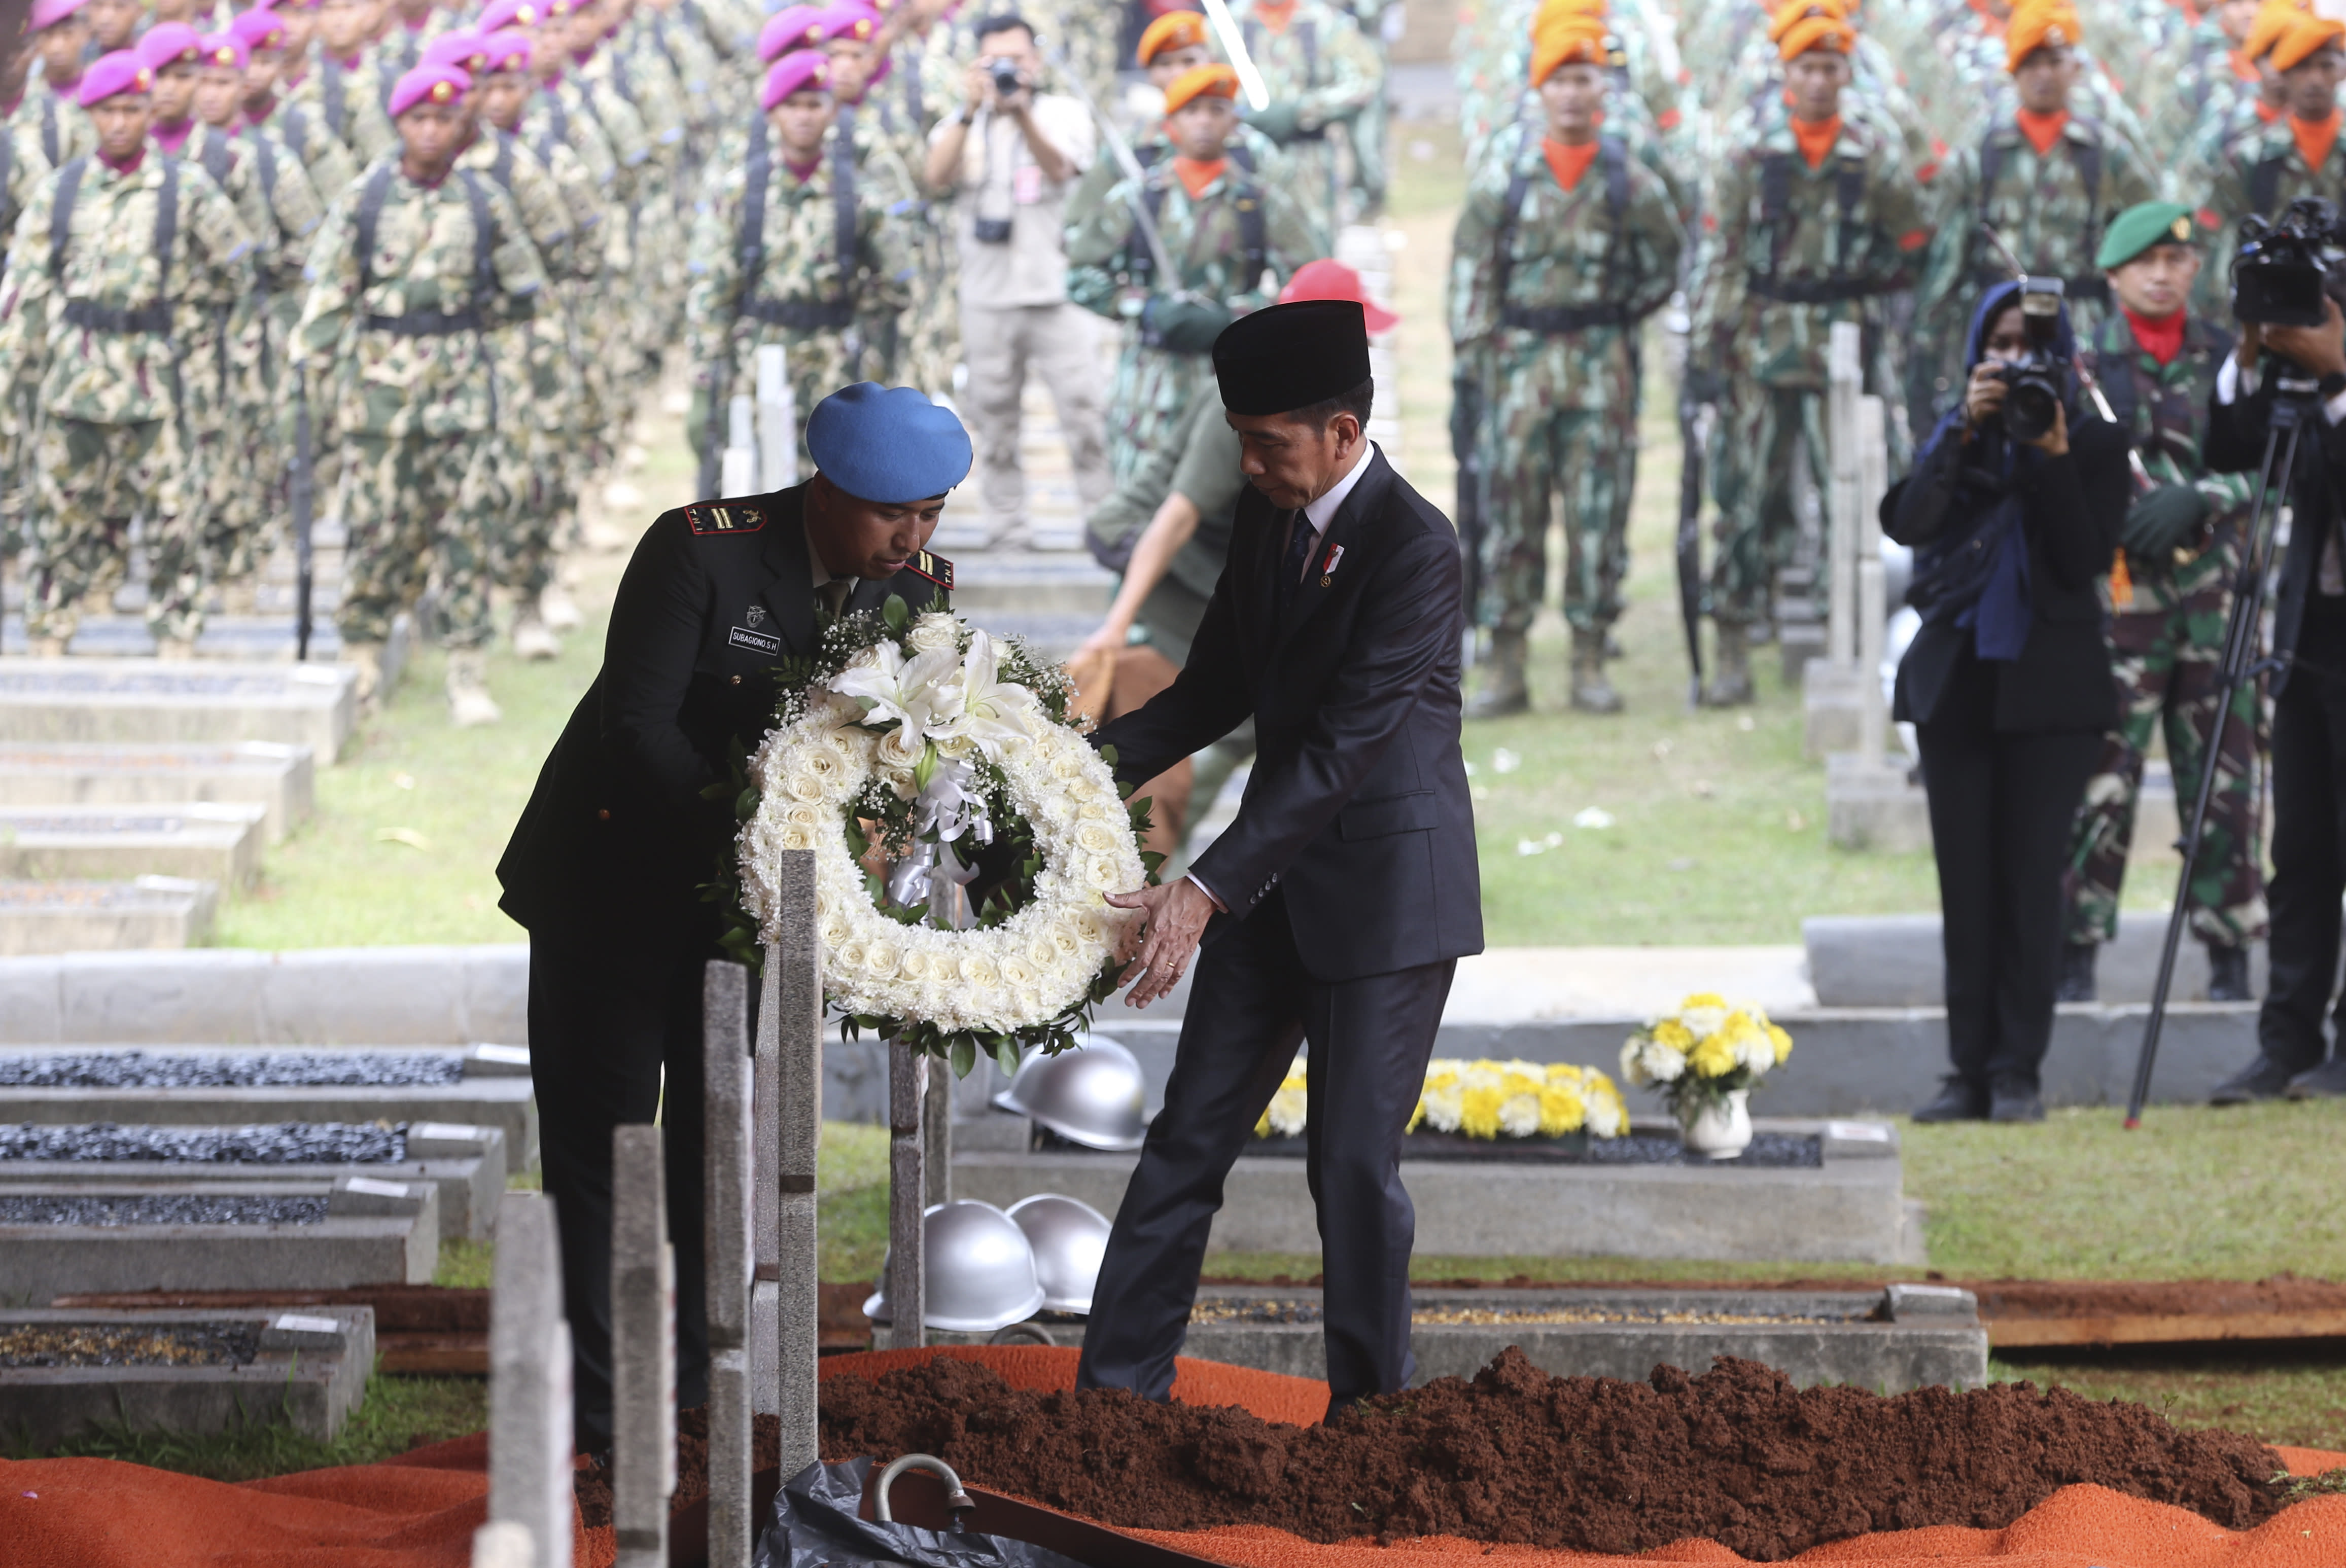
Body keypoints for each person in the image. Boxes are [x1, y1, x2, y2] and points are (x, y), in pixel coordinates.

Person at [497, 382, 967, 1455]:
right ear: (825, 489)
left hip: (741, 914)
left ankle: (702, 1405)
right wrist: (762, 844)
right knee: (608, 1153)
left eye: (931, 513)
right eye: (891, 512)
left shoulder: (914, 591)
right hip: (610, 889)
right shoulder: (700, 551)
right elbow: (637, 728)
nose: (911, 537)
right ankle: (611, 1423)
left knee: (715, 1152)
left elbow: (897, 744)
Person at [1075, 300, 1482, 1418]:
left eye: (1269, 444)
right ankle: (1114, 1405)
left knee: (1349, 1167)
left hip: (1385, 899)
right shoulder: (1268, 516)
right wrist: (1063, 772)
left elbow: (1344, 750)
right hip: (1267, 889)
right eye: (1239, 439)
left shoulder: (1414, 547)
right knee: (1184, 1142)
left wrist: (1200, 889)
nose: (1246, 466)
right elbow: (1210, 692)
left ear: (1342, 432)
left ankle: (1369, 1421)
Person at [1884, 279, 2128, 1124]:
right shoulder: (1954, 430)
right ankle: (1967, 1071)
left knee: (2031, 882)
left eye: (2033, 344)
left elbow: (2084, 556)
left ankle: (2018, 1068)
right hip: (1958, 687)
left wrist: (2054, 454)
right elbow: (1910, 523)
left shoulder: (2096, 440)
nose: (2016, 358)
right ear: (1979, 352)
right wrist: (1961, 433)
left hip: (2052, 690)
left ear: (2062, 353)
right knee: (1968, 885)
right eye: (2002, 343)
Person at [289, 62, 549, 720]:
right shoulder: (365, 199)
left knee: (467, 532)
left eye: (444, 119)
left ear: (461, 124)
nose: (431, 131)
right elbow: (330, 298)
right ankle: (364, 653)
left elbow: (523, 290)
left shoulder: (483, 200)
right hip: (380, 399)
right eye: (418, 119)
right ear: (399, 123)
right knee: (380, 533)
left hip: (462, 396)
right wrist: (309, 375)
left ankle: (467, 669)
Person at [2058, 203, 2264, 1009]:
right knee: (2100, 777)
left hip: (2217, 601)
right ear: (2112, 275)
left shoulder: (2235, 355)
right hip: (2120, 604)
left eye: (2177, 260)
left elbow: (2287, 462)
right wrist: (2118, 516)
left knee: (2225, 781)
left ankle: (2229, 955)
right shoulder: (2082, 364)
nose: (2161, 273)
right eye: (2144, 261)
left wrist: (2207, 495)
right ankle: (2074, 951)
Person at [1691, 0, 1925, 705]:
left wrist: (1871, 295)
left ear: (1847, 72)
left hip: (1844, 339)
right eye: (1807, 66)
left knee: (1853, 489)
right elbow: (1723, 255)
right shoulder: (1747, 149)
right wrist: (1712, 344)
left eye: (1830, 66)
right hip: (1762, 339)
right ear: (1785, 71)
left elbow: (1911, 238)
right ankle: (1734, 634)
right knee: (1745, 490)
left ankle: (1845, 632)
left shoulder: (1873, 154)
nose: (1819, 79)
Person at [1449, 9, 1682, 716]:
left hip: (1600, 370)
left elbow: (1663, 261)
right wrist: (1477, 366)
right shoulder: (1505, 179)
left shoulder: (1629, 182)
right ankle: (1507, 662)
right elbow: (1471, 279)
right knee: (1511, 515)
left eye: (1584, 80)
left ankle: (1588, 658)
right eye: (1560, 82)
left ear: (1602, 90)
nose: (1573, 94)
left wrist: (1614, 319)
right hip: (1518, 373)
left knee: (1597, 513)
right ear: (1539, 91)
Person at [0, 49, 254, 658]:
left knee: (173, 515)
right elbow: (27, 287)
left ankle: (176, 633)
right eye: (107, 111)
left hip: (158, 378)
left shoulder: (185, 188)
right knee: (61, 514)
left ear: (148, 111)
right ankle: (51, 630)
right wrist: (13, 372)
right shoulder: (61, 192)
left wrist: (195, 339)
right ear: (90, 115)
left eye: (131, 110)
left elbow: (236, 273)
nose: (120, 123)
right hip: (75, 377)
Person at [2201, 282, 2346, 1100]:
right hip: (2306, 637)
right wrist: (2251, 357)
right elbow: (2231, 451)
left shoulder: (2331, 379)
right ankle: (2285, 1041)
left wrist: (2336, 384)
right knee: (2299, 855)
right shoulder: (2296, 376)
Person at [1066, 63, 1314, 490]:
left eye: (1216, 110)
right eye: (1191, 110)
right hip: (1149, 387)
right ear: (1170, 125)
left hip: (1235, 384)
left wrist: (1240, 317)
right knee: (1142, 501)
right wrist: (1145, 307)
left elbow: (1310, 284)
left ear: (1233, 122)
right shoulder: (1137, 199)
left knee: (1228, 505)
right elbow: (1079, 274)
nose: (1204, 120)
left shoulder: (1257, 204)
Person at [1913, 1, 2152, 427]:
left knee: (2079, 434)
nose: (2044, 75)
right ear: (2012, 70)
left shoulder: (2105, 154)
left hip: (2080, 324)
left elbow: (2143, 242)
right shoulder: (1981, 154)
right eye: (2031, 63)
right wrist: (1927, 344)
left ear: (2074, 68)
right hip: (1997, 326)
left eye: (2055, 62)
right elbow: (1947, 259)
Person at [923, 12, 1107, 546]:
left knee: (1086, 414)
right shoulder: (961, 121)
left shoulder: (1063, 113)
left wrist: (1022, 112)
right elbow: (934, 177)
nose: (1007, 69)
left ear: (1036, 61)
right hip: (987, 295)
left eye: (1017, 58)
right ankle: (1007, 527)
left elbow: (1060, 169)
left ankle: (1102, 523)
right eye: (994, 60)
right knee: (995, 419)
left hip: (1057, 291)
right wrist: (968, 110)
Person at [683, 51, 914, 476]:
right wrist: (705, 383)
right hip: (756, 358)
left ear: (832, 112)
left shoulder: (859, 196)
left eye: (815, 105)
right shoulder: (740, 193)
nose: (804, 117)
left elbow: (896, 287)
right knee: (754, 484)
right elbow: (712, 291)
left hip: (834, 359)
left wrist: (862, 336)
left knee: (834, 484)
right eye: (792, 105)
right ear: (772, 113)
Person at [12, 0, 97, 169]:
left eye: (67, 34)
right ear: (37, 41)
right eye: (49, 36)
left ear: (85, 35)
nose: (57, 46)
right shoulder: (22, 96)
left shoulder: (103, 92)